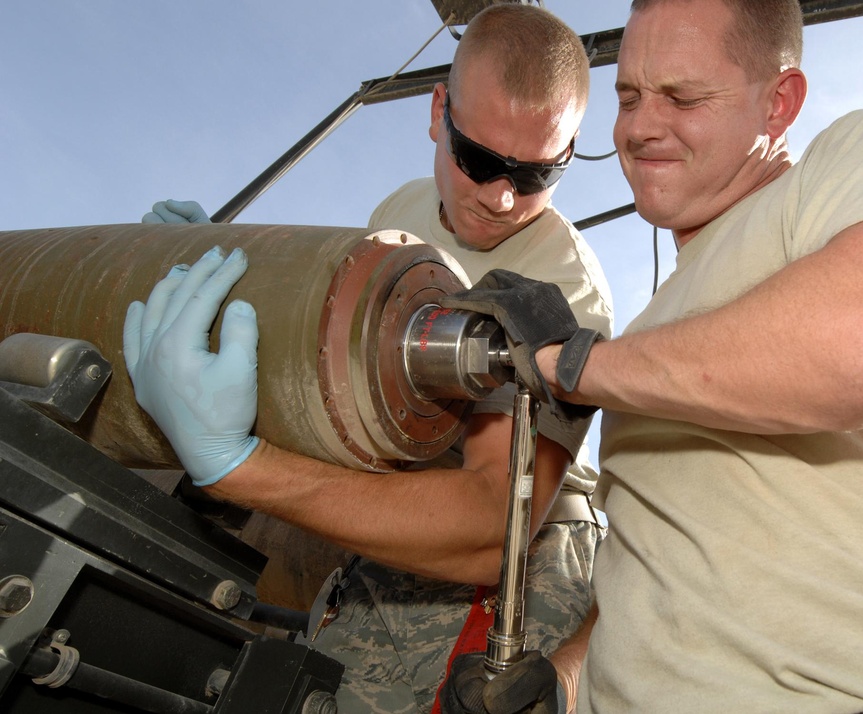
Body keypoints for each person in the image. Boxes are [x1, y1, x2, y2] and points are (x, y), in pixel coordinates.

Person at [438, 0, 863, 712]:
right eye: (630, 96)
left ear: (778, 103)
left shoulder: (850, 169)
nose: (640, 127)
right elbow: (657, 566)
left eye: (682, 96)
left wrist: (568, 362)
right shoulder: (649, 337)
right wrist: (565, 681)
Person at [129, 5, 612, 714]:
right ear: (437, 111)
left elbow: (488, 530)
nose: (502, 196)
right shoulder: (403, 211)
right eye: (480, 160)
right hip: (393, 526)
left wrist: (239, 467)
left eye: (538, 173)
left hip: (520, 553)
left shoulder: (564, 287)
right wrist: (231, 276)